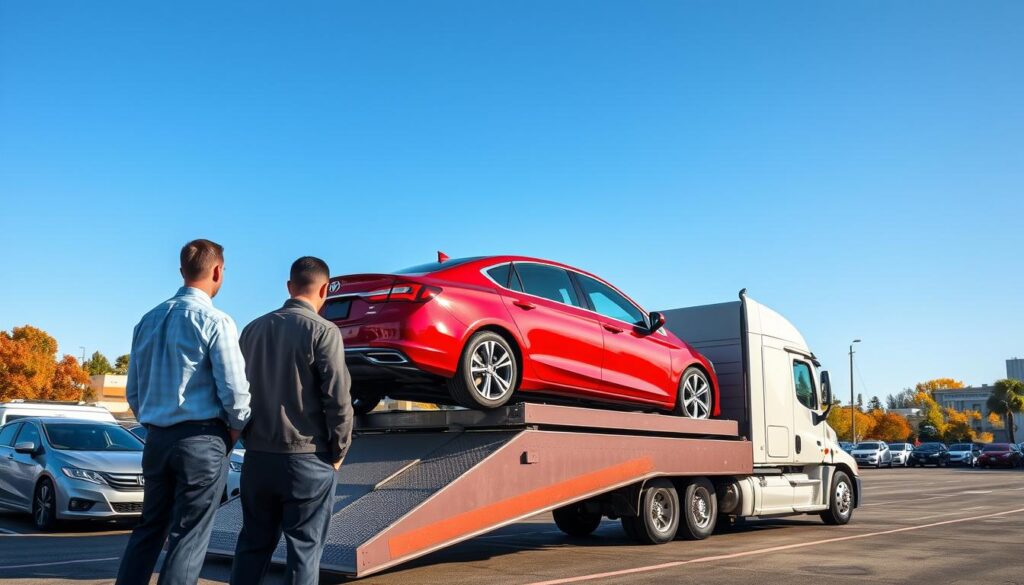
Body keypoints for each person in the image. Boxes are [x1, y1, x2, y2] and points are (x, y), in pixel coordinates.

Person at [116, 239, 252, 585]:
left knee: (149, 528)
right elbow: (236, 392)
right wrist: (234, 431)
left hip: (156, 439)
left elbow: (133, 390)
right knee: (187, 538)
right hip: (202, 440)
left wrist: (154, 421)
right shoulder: (216, 320)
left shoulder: (147, 320)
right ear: (218, 271)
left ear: (182, 271)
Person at [230, 256, 353, 585]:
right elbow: (338, 401)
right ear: (325, 289)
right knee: (304, 551)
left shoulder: (252, 330)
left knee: (252, 546)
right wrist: (339, 452)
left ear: (289, 287)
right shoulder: (324, 331)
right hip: (307, 460)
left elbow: (236, 395)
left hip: (257, 460)